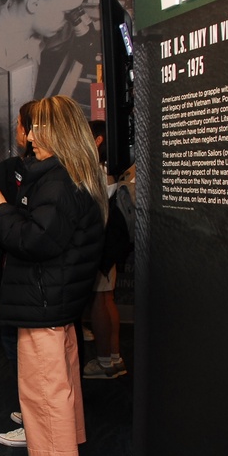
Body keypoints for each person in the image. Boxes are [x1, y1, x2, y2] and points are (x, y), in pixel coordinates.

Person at [0, 95, 107, 456]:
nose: (29, 137)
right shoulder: (72, 174)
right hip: (54, 298)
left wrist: (0, 209)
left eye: (36, 128)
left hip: (43, 298)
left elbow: (36, 240)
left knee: (44, 388)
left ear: (55, 130)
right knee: (61, 382)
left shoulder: (57, 180)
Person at [0, 101, 35, 449]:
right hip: (17, 273)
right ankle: (31, 410)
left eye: (18, 124)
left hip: (31, 279)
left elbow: (31, 233)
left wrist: (0, 207)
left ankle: (37, 422)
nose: (15, 129)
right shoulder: (14, 169)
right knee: (17, 343)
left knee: (26, 349)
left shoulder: (46, 176)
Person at [83, 121, 127, 379]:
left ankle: (103, 361)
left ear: (98, 140)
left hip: (99, 243)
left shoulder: (97, 171)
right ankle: (113, 357)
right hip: (109, 243)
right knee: (107, 298)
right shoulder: (108, 169)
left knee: (100, 300)